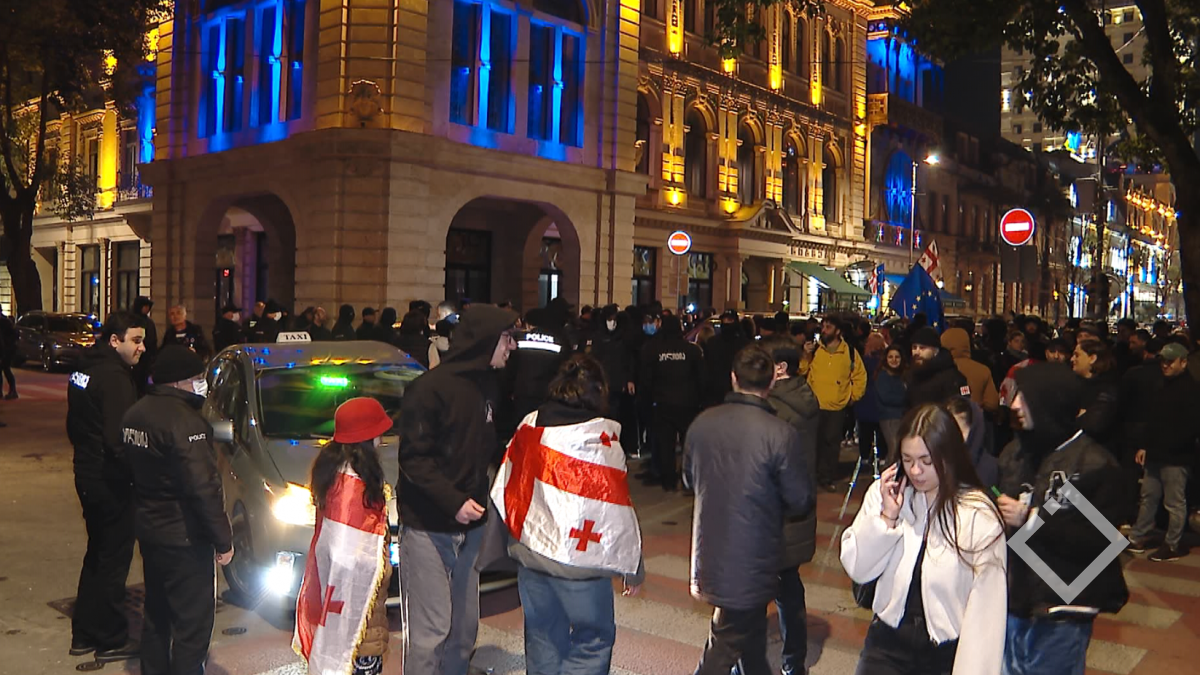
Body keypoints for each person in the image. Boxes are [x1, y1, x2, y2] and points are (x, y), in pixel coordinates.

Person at [492, 355, 644, 675]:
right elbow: (615, 508)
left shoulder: (530, 425)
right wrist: (632, 568)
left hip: (532, 556)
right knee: (593, 639)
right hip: (582, 564)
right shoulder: (600, 438)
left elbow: (507, 484)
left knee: (542, 637)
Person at [396, 304, 518, 675]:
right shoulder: (428, 390)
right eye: (507, 339)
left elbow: (487, 447)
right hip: (428, 527)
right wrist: (454, 502)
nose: (512, 347)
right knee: (431, 632)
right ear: (485, 340)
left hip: (472, 527)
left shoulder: (488, 386)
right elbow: (414, 459)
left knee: (463, 631)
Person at [841, 405, 1007, 675]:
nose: (916, 471)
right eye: (907, 459)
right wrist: (887, 518)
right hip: (886, 642)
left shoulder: (977, 514)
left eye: (926, 461)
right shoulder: (886, 494)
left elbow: (987, 610)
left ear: (949, 455)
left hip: (944, 653)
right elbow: (858, 568)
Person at [684, 345, 814, 675]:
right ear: (771, 381)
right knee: (725, 644)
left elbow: (689, 479)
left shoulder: (702, 424)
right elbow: (799, 499)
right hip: (753, 558)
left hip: (710, 549)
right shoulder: (780, 433)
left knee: (750, 644)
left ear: (733, 378)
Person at [996, 364, 1128, 675]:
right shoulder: (1015, 453)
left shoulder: (1095, 464)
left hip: (1063, 608)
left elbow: (1100, 542)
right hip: (1013, 599)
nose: (1015, 405)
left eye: (1025, 397)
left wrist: (1030, 520)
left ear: (1050, 402)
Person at [122, 346, 233, 675]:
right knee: (192, 624)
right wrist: (223, 539)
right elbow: (203, 487)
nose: (202, 384)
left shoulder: (135, 413)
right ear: (179, 382)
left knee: (157, 613)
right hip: (185, 537)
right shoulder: (185, 422)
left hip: (151, 530)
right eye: (197, 378)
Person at [65, 311, 147, 662]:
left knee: (97, 554)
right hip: (109, 480)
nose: (142, 348)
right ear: (115, 341)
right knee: (113, 560)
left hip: (87, 472)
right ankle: (111, 637)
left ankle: (84, 632)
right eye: (136, 340)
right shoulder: (115, 378)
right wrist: (138, 474)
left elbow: (74, 424)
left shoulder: (84, 368)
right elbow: (119, 440)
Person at [295, 398, 393, 675]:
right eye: (378, 434)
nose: (381, 441)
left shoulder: (335, 479)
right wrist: (385, 567)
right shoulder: (355, 490)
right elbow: (358, 563)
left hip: (340, 612)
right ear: (366, 440)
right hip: (360, 627)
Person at [760, 336, 819, 675]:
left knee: (754, 592)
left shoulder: (775, 409)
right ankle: (793, 661)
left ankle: (745, 661)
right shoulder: (803, 397)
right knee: (788, 587)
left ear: (780, 368)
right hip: (796, 509)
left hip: (773, 513)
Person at [1127, 342, 1200, 561]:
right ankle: (1138, 536)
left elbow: (1190, 427)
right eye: (1163, 361)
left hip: (1176, 457)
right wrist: (1145, 445)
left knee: (1173, 502)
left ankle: (1172, 544)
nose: (1165, 365)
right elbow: (1152, 420)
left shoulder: (1191, 390)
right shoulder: (1161, 384)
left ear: (1183, 362)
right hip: (1158, 453)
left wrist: (1162, 444)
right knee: (1149, 496)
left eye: (1170, 361)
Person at [800, 316, 867, 492]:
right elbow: (802, 370)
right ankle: (811, 476)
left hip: (837, 407)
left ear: (838, 331)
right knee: (813, 443)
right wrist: (805, 355)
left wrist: (853, 397)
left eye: (828, 327)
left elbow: (860, 376)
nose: (823, 330)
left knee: (831, 444)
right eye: (823, 326)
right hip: (814, 405)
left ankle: (826, 477)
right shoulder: (815, 350)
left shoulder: (849, 352)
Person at [639, 315, 704, 492]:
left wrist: (649, 398)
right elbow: (701, 377)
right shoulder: (692, 350)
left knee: (665, 444)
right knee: (688, 443)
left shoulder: (653, 349)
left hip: (662, 403)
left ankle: (668, 480)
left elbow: (646, 378)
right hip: (687, 403)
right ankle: (689, 479)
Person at [508, 308, 572, 422]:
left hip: (523, 392)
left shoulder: (519, 338)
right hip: (547, 394)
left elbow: (511, 367)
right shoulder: (558, 340)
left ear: (528, 324)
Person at [1072, 340, 1121, 454]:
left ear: (1092, 358)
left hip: (1096, 453)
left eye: (1077, 355)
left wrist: (1072, 417)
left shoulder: (1107, 389)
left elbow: (1094, 424)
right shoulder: (1071, 384)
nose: (1072, 359)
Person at [941, 327, 999, 415]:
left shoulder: (939, 370)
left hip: (945, 418)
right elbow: (992, 404)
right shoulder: (983, 370)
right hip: (975, 417)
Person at [907, 327, 968, 410]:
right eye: (914, 347)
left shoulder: (952, 377)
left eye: (922, 348)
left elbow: (961, 407)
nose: (917, 352)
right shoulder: (911, 374)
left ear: (935, 351)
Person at [702, 310, 751, 408]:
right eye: (724, 320)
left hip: (737, 393)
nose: (726, 323)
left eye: (730, 320)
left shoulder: (745, 344)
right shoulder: (712, 342)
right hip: (716, 393)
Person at [945, 397, 997, 488]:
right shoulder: (943, 465)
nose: (952, 438)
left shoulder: (989, 468)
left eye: (958, 432)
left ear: (974, 431)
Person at [875, 344, 909, 457]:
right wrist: (906, 397)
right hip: (889, 418)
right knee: (895, 449)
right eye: (890, 357)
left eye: (897, 357)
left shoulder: (905, 375)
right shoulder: (883, 376)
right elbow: (887, 398)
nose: (894, 360)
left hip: (904, 416)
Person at [131, 296, 158, 395]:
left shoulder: (149, 322)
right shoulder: (132, 320)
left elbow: (153, 341)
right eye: (145, 306)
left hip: (147, 359)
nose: (147, 309)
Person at [0, 307, 17, 399]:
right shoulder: (5, 321)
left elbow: (13, 336)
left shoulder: (4, 322)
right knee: (4, 369)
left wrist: (7, 347)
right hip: (5, 349)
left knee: (6, 369)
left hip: (6, 349)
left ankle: (13, 391)